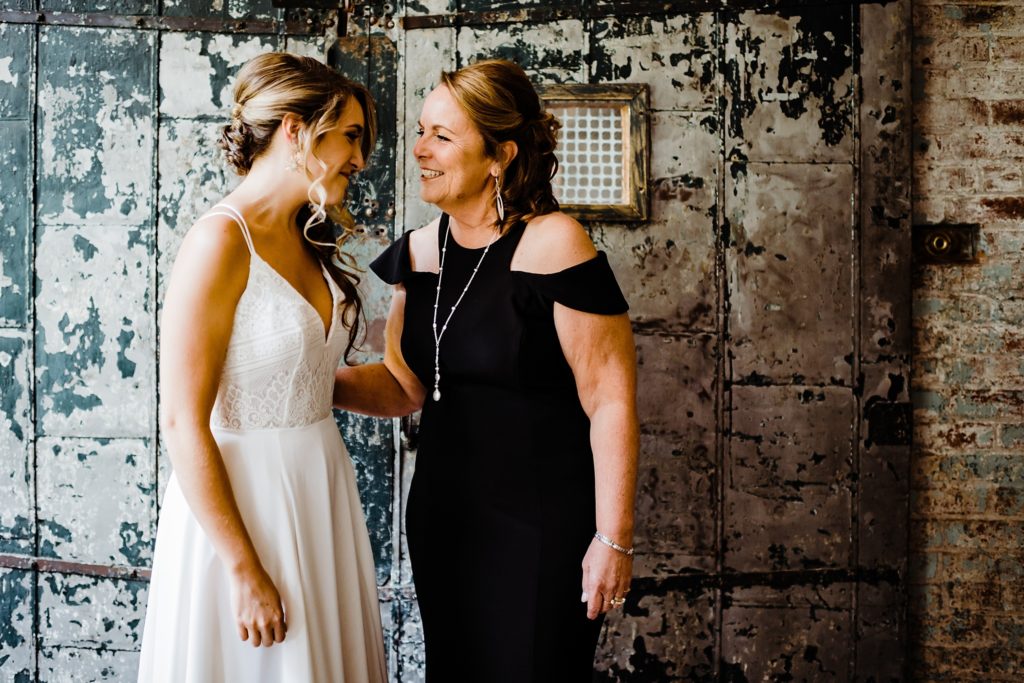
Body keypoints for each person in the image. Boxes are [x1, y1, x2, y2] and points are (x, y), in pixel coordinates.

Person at [333, 58, 639, 682]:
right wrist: (305, 386)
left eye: (442, 136)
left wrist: (614, 538)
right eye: (421, 131)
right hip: (445, 521)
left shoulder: (555, 244)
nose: (419, 149)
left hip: (540, 526)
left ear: (498, 155)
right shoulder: (419, 252)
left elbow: (611, 400)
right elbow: (403, 384)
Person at [138, 52, 387, 683]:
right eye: (351, 136)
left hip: (319, 487)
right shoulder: (220, 240)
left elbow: (309, 380)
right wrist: (243, 569)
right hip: (244, 508)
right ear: (296, 130)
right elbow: (180, 421)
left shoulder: (311, 237)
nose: (360, 160)